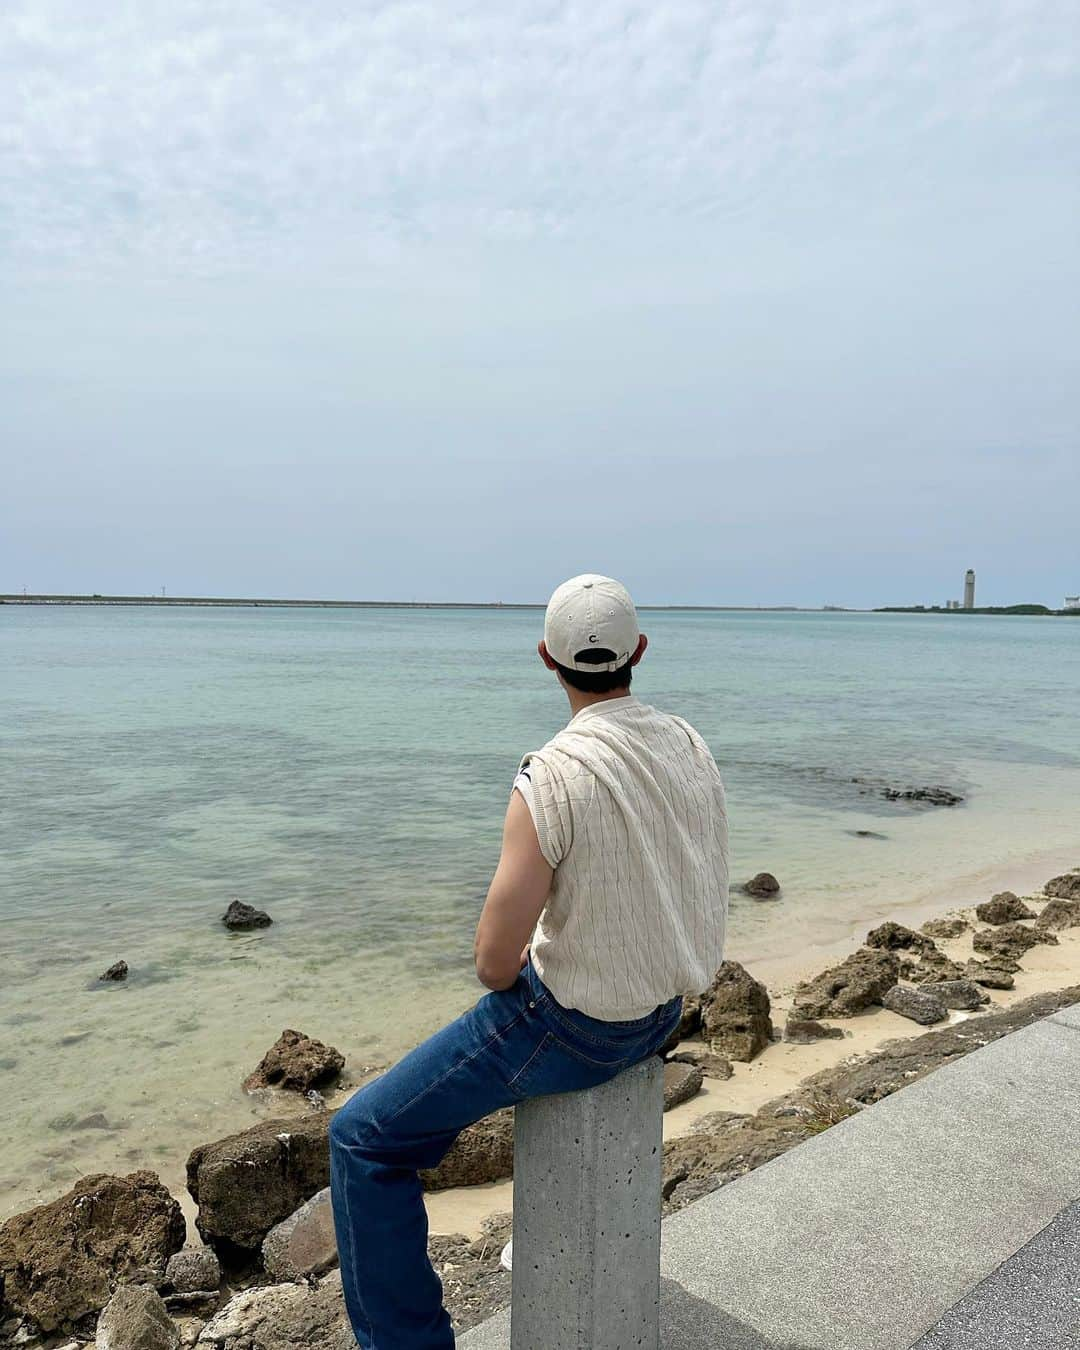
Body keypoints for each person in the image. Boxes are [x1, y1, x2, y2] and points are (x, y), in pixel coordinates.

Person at [329, 573, 729, 1349]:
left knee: (362, 1139)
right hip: (664, 1013)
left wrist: (520, 995)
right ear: (638, 651)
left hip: (577, 1028)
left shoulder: (551, 775)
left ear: (547, 659)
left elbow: (492, 961)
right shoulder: (687, 741)